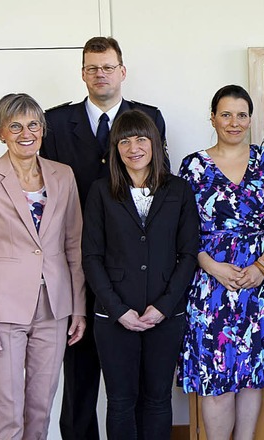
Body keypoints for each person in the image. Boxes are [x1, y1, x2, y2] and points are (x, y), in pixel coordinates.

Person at [39, 36, 168, 440]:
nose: (101, 74)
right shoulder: (56, 122)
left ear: (122, 71)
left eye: (108, 67)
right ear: (82, 74)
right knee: (78, 378)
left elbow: (158, 187)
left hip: (136, 269)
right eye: (93, 68)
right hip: (76, 264)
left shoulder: (148, 117)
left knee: (139, 385)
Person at [177, 85, 264, 440]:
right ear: (212, 118)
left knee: (252, 377)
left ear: (250, 119)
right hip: (211, 286)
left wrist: (263, 266)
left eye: (241, 115)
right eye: (225, 114)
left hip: (260, 286)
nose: (234, 122)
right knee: (217, 380)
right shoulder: (194, 166)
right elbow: (183, 231)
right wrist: (212, 266)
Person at [82, 109, 198, 439]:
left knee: (159, 400)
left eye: (141, 139)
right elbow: (91, 256)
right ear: (115, 148)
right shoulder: (101, 192)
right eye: (125, 140)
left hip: (166, 313)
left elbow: (188, 254)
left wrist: (164, 306)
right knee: (120, 402)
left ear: (156, 144)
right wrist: (118, 310)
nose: (134, 147)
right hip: (113, 316)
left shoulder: (179, 190)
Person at [0, 93, 86, 439]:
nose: (26, 133)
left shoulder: (63, 176)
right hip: (3, 311)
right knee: (8, 413)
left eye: (33, 124)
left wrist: (79, 309)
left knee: (40, 411)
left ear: (42, 129)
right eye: (15, 126)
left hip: (54, 309)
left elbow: (74, 247)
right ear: (0, 132)